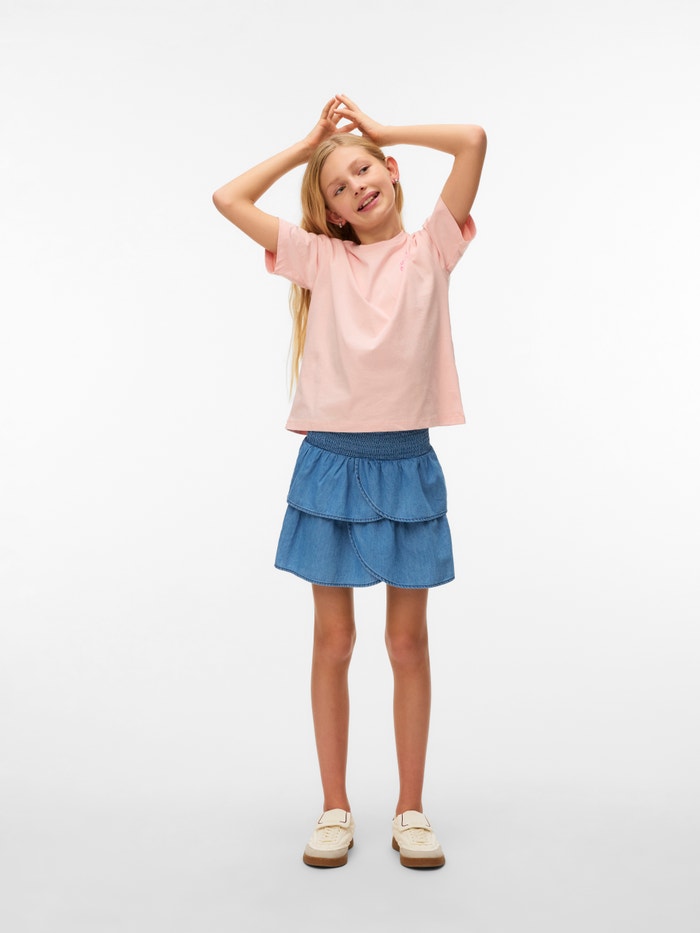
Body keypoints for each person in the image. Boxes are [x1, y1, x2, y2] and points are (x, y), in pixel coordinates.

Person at [213, 95, 486, 869]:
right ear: (331, 214)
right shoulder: (321, 260)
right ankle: (334, 805)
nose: (356, 187)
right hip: (329, 465)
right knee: (334, 640)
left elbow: (472, 140)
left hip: (407, 464)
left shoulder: (432, 248)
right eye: (338, 187)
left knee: (406, 641)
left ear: (392, 173)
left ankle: (410, 808)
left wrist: (382, 129)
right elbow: (228, 199)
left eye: (365, 170)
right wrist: (309, 145)